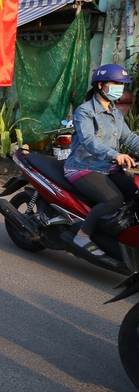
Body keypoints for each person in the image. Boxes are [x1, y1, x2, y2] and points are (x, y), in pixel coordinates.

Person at [64, 64, 139, 256]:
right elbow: (89, 141)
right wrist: (115, 154)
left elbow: (129, 137)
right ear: (100, 85)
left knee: (136, 192)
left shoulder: (115, 111)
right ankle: (82, 235)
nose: (119, 88)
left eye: (121, 84)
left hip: (108, 168)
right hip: (83, 167)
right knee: (114, 199)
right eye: (114, 83)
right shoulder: (85, 111)